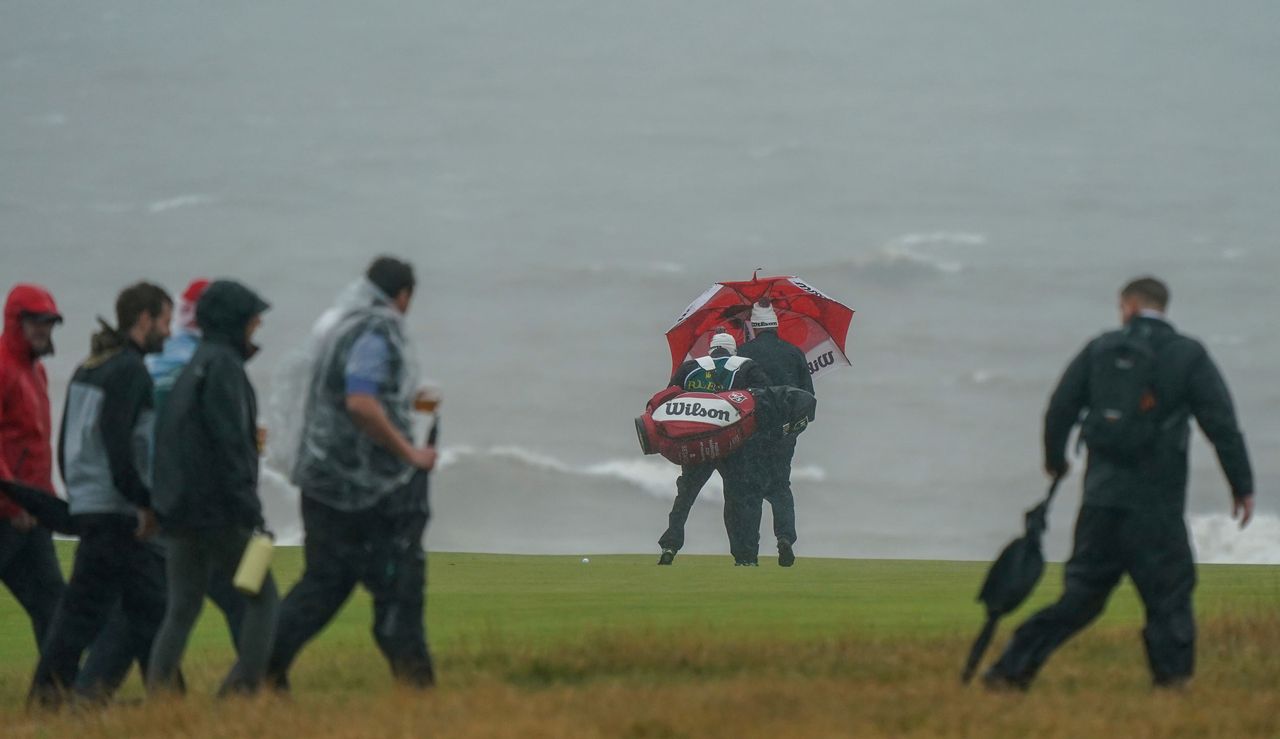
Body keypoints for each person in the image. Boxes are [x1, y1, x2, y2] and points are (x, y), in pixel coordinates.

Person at [984, 277, 1255, 690]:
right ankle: (1172, 684)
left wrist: (1056, 462)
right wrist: (1241, 484)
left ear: (1128, 306)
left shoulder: (1100, 349)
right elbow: (1221, 425)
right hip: (1157, 507)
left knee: (1080, 598)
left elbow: (1059, 409)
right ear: (1163, 307)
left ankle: (1009, 671)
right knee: (1169, 597)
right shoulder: (1187, 354)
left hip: (1101, 503)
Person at [266, 256, 437, 690]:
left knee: (324, 583)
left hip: (322, 481)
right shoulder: (377, 330)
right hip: (356, 487)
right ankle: (417, 690)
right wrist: (410, 452)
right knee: (395, 584)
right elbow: (360, 402)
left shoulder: (339, 324)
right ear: (403, 295)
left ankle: (256, 676)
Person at [76, 278, 248, 700]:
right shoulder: (204, 362)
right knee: (242, 595)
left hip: (159, 500)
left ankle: (92, 693)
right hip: (191, 507)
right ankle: (258, 684)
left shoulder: (159, 359)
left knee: (149, 605)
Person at [28, 282, 173, 708]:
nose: (169, 329)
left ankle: (47, 698)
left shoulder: (89, 366)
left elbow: (65, 440)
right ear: (144, 320)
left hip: (92, 505)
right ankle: (168, 699)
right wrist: (143, 502)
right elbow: (118, 442)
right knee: (149, 608)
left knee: (86, 613)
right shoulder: (130, 370)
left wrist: (78, 494)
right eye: (165, 320)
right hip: (118, 511)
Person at [147, 279, 276, 697]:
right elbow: (231, 448)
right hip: (217, 513)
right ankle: (240, 694)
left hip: (181, 512)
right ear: (234, 322)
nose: (257, 324)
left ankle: (160, 699)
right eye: (252, 319)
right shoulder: (224, 367)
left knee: (181, 608)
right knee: (263, 599)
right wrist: (251, 513)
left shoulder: (195, 363)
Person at [657, 331, 771, 565]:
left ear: (711, 349)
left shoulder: (689, 368)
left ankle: (670, 545)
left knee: (686, 496)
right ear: (733, 350)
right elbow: (764, 397)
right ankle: (744, 556)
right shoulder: (747, 367)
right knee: (736, 500)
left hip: (697, 443)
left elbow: (670, 400)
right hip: (733, 445)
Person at [0, 284, 67, 651]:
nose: (44, 330)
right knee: (52, 602)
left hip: (29, 514)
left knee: (54, 603)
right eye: (37, 322)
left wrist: (46, 502)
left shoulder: (35, 373)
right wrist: (14, 503)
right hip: (9, 513)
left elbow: (36, 447)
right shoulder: (3, 368)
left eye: (49, 323)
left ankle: (53, 696)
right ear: (15, 321)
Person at [735, 299, 815, 567]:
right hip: (785, 432)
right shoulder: (794, 353)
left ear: (754, 327)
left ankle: (749, 554)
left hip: (752, 432)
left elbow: (733, 398)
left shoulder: (743, 354)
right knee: (781, 486)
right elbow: (809, 397)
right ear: (776, 325)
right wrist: (794, 429)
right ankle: (785, 538)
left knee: (752, 490)